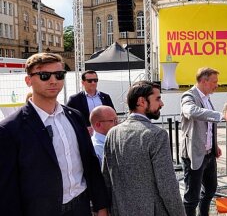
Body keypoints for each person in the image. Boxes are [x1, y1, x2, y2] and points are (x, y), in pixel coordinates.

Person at [0, 53, 108, 216]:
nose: (53, 81)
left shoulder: (75, 116)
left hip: (81, 205)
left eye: (59, 75)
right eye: (44, 75)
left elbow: (90, 163)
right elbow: (7, 188)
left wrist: (101, 206)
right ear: (28, 80)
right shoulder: (10, 129)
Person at [102, 81, 185, 216]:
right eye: (157, 99)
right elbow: (168, 186)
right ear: (141, 101)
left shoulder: (113, 133)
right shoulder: (156, 135)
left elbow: (106, 179)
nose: (162, 104)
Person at [180, 67, 223, 216]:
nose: (217, 85)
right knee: (192, 197)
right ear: (204, 81)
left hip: (209, 154)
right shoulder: (188, 96)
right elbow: (190, 111)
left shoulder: (206, 97)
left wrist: (214, 145)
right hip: (194, 154)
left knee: (210, 190)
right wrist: (219, 115)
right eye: (214, 82)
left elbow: (208, 127)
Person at [67, 70, 115, 134]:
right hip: (86, 135)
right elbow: (68, 117)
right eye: (90, 81)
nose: (93, 83)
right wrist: (83, 128)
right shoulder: (75, 99)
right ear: (83, 82)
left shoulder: (105, 97)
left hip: (105, 133)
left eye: (95, 80)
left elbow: (113, 114)